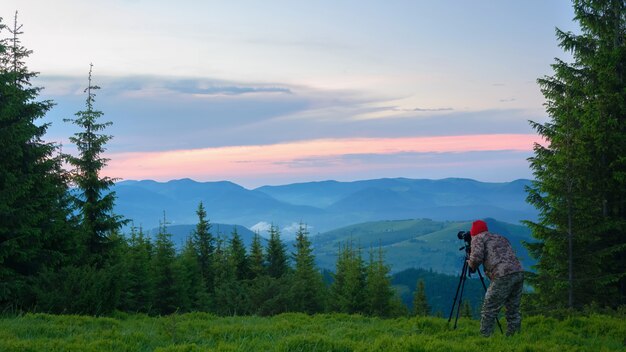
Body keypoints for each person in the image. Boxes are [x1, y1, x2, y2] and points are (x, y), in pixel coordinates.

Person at [467, 219, 524, 337]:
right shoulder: (499, 237)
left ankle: (485, 337)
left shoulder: (478, 237)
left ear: (474, 232)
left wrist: (470, 264)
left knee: (489, 308)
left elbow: (476, 258)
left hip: (502, 275)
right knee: (513, 308)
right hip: (518, 272)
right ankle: (515, 336)